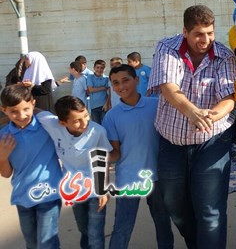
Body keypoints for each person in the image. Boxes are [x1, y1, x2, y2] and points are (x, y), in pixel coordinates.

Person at [148, 5, 236, 248]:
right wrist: (193, 112)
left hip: (212, 141)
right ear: (185, 31)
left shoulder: (224, 56)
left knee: (210, 210)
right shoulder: (167, 48)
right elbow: (168, 88)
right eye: (199, 34)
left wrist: (211, 116)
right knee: (174, 204)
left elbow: (229, 98)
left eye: (210, 33)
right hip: (171, 140)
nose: (205, 40)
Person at [103, 64, 173, 249]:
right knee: (123, 226)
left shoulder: (156, 105)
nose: (121, 86)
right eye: (115, 83)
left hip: (157, 177)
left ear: (137, 80)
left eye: (125, 80)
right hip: (128, 179)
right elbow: (115, 153)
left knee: (163, 222)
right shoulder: (111, 117)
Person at [37, 96, 112, 249]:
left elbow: (103, 160)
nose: (85, 122)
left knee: (95, 233)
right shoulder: (52, 124)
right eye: (77, 120)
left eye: (85, 115)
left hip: (94, 189)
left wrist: (102, 190)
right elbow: (34, 110)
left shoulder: (98, 132)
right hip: (74, 190)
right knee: (83, 229)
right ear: (62, 123)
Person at [0, 84, 63, 249]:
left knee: (47, 243)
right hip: (22, 197)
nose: (21, 115)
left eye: (26, 109)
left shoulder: (47, 127)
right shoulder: (3, 136)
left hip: (49, 193)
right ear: (3, 110)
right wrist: (3, 157)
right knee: (32, 243)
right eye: (14, 111)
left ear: (33, 104)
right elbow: (6, 174)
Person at [87, 60, 110, 124]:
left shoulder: (107, 78)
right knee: (96, 125)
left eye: (101, 68)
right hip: (93, 106)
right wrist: (104, 87)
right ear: (94, 68)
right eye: (97, 67)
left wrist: (106, 104)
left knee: (105, 124)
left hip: (103, 106)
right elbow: (91, 89)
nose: (99, 70)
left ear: (104, 69)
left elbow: (109, 93)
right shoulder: (90, 77)